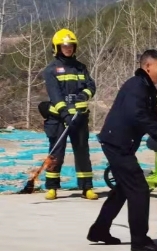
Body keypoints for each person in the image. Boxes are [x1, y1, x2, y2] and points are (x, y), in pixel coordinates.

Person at [87, 49, 157, 251]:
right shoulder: (136, 86)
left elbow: (151, 121)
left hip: (120, 143)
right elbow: (137, 115)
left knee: (123, 190)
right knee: (139, 189)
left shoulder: (147, 88)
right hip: (117, 144)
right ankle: (140, 240)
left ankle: (99, 230)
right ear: (148, 66)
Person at [41, 28, 98, 200]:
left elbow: (91, 86)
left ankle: (86, 187)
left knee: (82, 152)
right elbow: (55, 95)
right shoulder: (51, 70)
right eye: (64, 46)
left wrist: (84, 95)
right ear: (57, 48)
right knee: (56, 152)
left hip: (79, 117)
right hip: (58, 118)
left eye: (71, 45)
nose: (68, 48)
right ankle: (52, 187)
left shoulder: (81, 68)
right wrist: (65, 114)